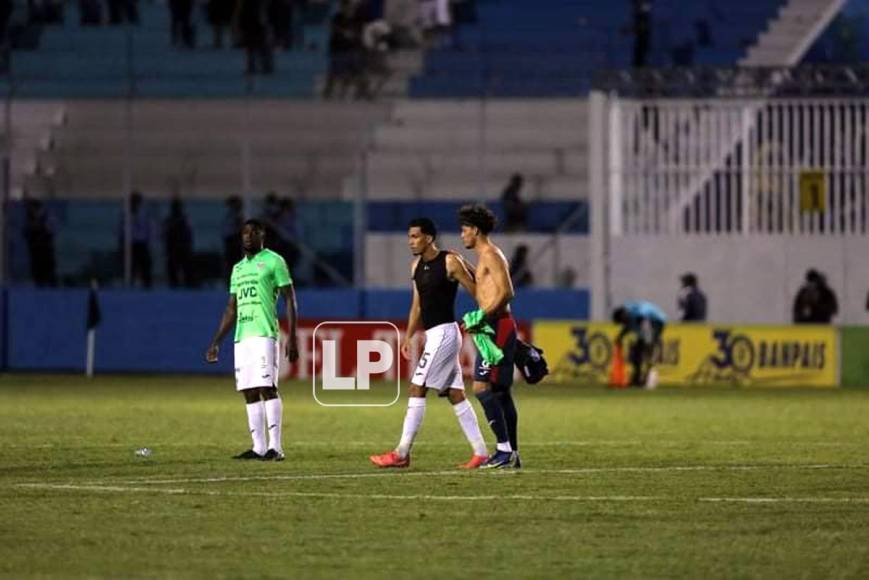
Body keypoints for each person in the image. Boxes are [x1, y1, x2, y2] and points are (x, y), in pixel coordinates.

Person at [369, 218, 489, 469]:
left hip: (446, 333)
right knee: (456, 394)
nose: (410, 241)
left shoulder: (449, 261)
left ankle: (401, 453)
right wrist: (408, 335)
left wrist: (484, 317)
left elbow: (476, 290)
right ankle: (481, 453)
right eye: (409, 237)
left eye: (415, 236)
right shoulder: (415, 267)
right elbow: (417, 306)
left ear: (429, 238)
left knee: (416, 388)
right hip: (433, 335)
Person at [205, 219, 299, 461]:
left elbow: (289, 298)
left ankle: (276, 448)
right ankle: (258, 447)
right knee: (248, 390)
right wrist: (216, 341)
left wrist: (294, 336)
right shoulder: (237, 269)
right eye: (245, 232)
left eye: (253, 232)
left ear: (262, 235)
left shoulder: (274, 261)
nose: (248, 236)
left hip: (264, 333)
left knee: (267, 388)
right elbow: (230, 309)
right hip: (242, 336)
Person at [458, 204, 520, 469]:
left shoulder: (492, 255)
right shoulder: (483, 258)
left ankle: (504, 451)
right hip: (493, 326)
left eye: (464, 230)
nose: (462, 236)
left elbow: (507, 292)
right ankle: (512, 453)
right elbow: (484, 291)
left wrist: (483, 316)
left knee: (482, 387)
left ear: (475, 230)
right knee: (502, 392)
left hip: (498, 326)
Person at [612, 301, 667, 388]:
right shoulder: (627, 313)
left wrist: (649, 342)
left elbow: (646, 328)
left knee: (648, 349)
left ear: (623, 316)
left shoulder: (639, 315)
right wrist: (620, 337)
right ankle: (637, 378)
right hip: (645, 324)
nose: (622, 324)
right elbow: (627, 326)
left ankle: (648, 378)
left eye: (622, 321)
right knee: (637, 352)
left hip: (657, 322)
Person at [120, 191, 154, 288]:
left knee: (145, 265)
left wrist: (149, 240)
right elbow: (122, 229)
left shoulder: (144, 213)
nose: (135, 203)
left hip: (142, 243)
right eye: (133, 201)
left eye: (137, 201)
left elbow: (149, 227)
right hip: (131, 244)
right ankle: (130, 283)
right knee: (131, 266)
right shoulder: (126, 214)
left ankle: (147, 284)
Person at [23, 198, 57, 287]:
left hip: (46, 257)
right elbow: (27, 235)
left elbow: (51, 233)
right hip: (37, 258)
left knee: (48, 279)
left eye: (36, 210)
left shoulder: (46, 220)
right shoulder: (30, 223)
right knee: (39, 281)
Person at [163, 197, 195, 288]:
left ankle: (188, 283)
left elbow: (189, 233)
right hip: (173, 248)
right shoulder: (170, 220)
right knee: (173, 269)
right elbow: (166, 234)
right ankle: (174, 284)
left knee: (186, 268)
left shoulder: (184, 219)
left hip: (182, 247)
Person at [222, 195, 244, 283]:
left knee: (234, 263)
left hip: (234, 243)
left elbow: (239, 229)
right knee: (229, 264)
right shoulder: (230, 216)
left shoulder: (237, 217)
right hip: (230, 242)